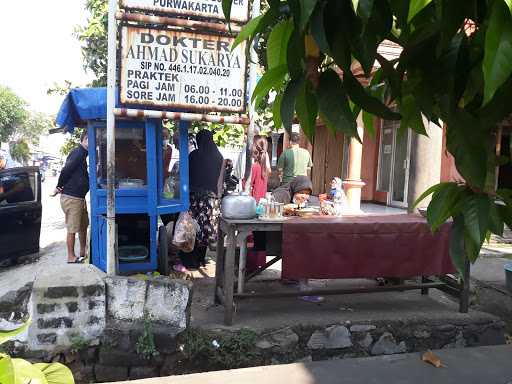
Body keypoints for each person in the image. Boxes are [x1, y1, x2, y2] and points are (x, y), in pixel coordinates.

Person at [177, 130, 224, 270]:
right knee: (205, 230)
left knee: (191, 229)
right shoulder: (219, 157)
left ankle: (190, 261)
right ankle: (201, 259)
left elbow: (186, 175)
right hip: (211, 201)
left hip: (194, 198)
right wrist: (217, 199)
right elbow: (220, 183)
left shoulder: (194, 155)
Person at [52, 131, 89, 264]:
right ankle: (71, 257)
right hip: (72, 197)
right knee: (73, 228)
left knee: (83, 225)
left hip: (79, 197)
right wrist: (59, 186)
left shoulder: (84, 155)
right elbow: (65, 170)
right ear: (84, 140)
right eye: (89, 140)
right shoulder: (78, 153)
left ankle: (83, 252)